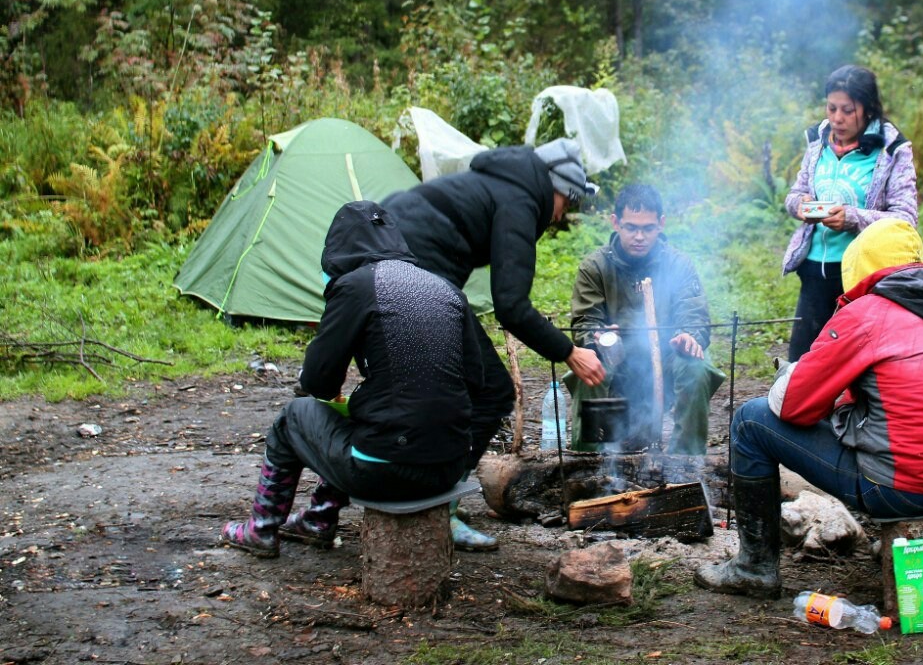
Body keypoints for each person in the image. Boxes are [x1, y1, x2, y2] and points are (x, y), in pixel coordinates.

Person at [696, 218, 923, 598]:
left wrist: (798, 375)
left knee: (750, 421)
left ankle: (754, 567)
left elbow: (793, 408)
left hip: (900, 490)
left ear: (860, 267)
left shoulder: (868, 313)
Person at [220, 200, 504, 557]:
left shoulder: (355, 286)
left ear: (339, 249)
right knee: (361, 421)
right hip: (449, 467)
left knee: (293, 418)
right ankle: (317, 520)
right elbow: (476, 382)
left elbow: (318, 383)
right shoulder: (444, 288)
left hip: (386, 471)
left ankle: (261, 529)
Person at [381, 137, 606, 550]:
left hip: (380, 261)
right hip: (415, 276)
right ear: (554, 188)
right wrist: (569, 352)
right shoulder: (520, 201)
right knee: (489, 391)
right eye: (566, 203)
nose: (560, 215)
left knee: (420, 393)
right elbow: (512, 306)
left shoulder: (497, 183)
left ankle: (414, 498)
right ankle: (438, 511)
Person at [568, 184, 724, 455]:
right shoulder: (595, 267)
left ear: (661, 224)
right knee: (588, 366)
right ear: (615, 222)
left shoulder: (679, 265)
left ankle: (684, 464)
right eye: (631, 227)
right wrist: (596, 336)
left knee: (696, 367)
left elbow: (694, 313)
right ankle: (589, 461)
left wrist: (690, 336)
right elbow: (584, 322)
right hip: (616, 361)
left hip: (666, 358)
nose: (639, 236)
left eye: (648, 228)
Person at [782, 65, 918, 365]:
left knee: (860, 362)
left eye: (847, 110)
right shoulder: (817, 141)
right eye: (831, 108)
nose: (837, 119)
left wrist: (852, 218)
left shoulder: (891, 148)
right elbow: (795, 193)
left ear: (868, 110)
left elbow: (905, 218)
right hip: (815, 268)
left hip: (865, 273)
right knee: (802, 361)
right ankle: (797, 413)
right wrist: (800, 205)